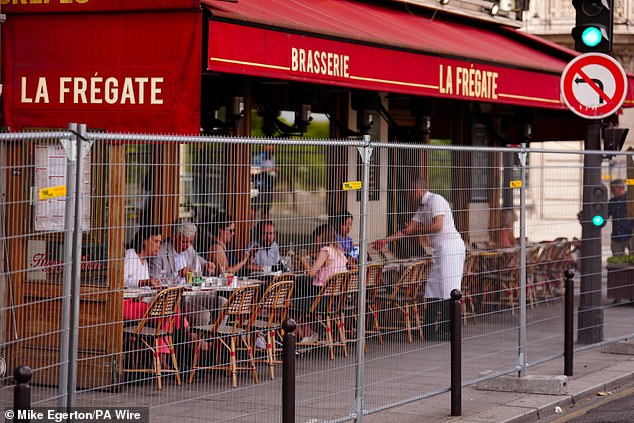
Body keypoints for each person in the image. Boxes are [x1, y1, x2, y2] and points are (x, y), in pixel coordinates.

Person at [373, 177, 466, 341]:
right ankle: (428, 329)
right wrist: (385, 241)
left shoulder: (436, 200)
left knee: (447, 288)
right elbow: (408, 231)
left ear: (416, 190)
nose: (409, 195)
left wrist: (417, 231)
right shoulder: (422, 208)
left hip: (450, 247)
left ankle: (447, 330)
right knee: (432, 287)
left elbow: (438, 226)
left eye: (410, 191)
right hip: (439, 250)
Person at [149, 219, 216, 326]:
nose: (188, 245)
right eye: (184, 241)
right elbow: (154, 281)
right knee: (203, 315)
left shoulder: (189, 249)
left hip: (191, 294)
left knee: (222, 302)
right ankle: (195, 340)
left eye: (190, 241)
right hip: (173, 299)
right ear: (174, 237)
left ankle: (214, 338)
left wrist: (207, 264)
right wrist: (177, 274)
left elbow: (198, 260)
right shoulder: (160, 253)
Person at [295, 224, 348, 343]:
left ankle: (305, 334)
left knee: (294, 301)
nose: (315, 242)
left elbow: (311, 273)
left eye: (316, 238)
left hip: (323, 301)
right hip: (337, 300)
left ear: (320, 237)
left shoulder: (326, 250)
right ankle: (309, 332)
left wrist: (303, 260)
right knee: (303, 290)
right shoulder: (339, 252)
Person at [123, 226, 163, 321]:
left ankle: (163, 336)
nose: (159, 246)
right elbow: (121, 281)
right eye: (155, 241)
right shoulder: (130, 255)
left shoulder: (144, 261)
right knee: (167, 311)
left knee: (171, 308)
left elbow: (145, 287)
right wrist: (144, 282)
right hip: (127, 305)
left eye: (160, 242)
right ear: (144, 241)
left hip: (139, 302)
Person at [208, 211, 252, 276]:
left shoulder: (224, 246)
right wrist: (242, 262)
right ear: (220, 230)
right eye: (230, 230)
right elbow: (225, 273)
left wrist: (244, 259)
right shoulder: (217, 248)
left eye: (233, 231)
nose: (233, 234)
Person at [251, 144, 277, 219]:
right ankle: (251, 228)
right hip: (258, 186)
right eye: (269, 145)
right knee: (253, 209)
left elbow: (273, 169)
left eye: (272, 146)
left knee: (266, 210)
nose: (272, 148)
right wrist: (265, 170)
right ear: (265, 147)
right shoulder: (257, 158)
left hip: (269, 187)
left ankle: (263, 228)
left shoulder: (272, 158)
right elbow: (252, 170)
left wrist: (275, 170)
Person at [608, 179, 633, 256]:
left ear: (621, 188)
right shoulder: (612, 201)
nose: (612, 192)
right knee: (617, 259)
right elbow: (606, 214)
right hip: (616, 235)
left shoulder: (630, 200)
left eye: (614, 189)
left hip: (630, 234)